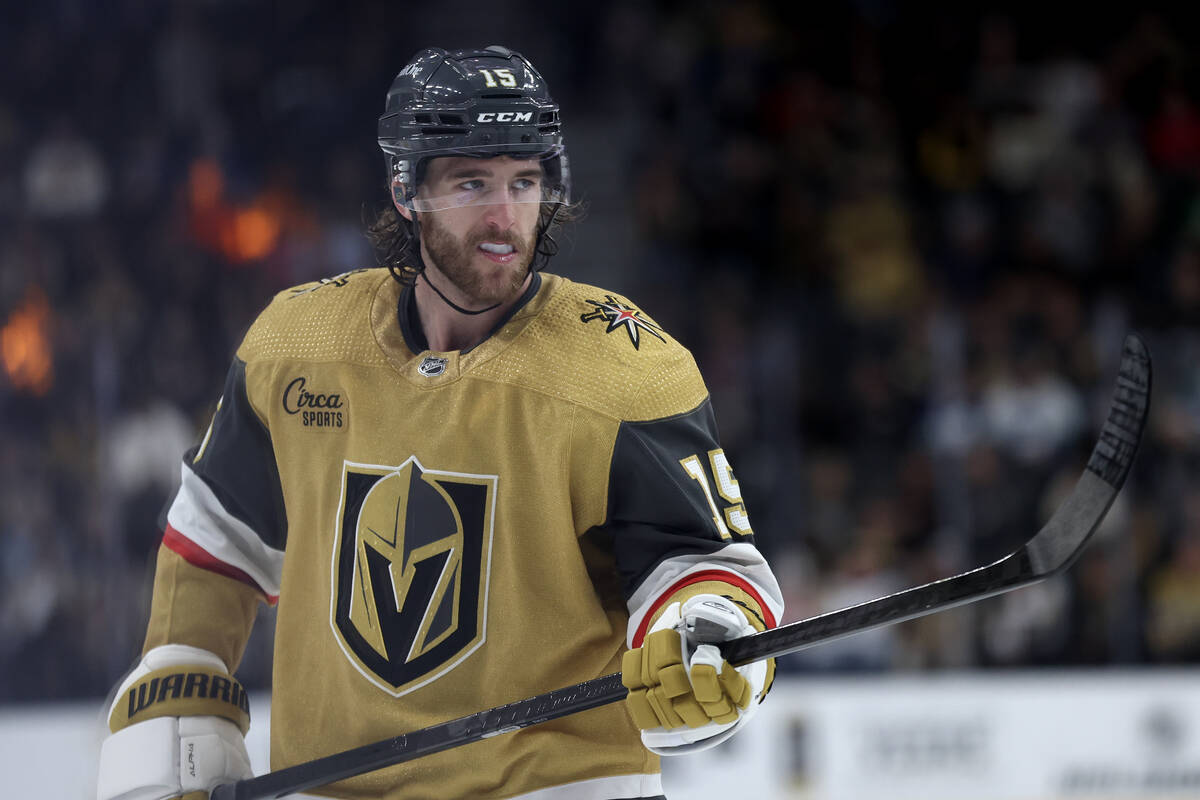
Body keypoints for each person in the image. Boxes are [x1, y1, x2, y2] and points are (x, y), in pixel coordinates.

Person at [96, 45, 783, 800]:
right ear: (405, 189)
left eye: (524, 182)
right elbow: (215, 540)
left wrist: (704, 635)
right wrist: (182, 691)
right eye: (471, 183)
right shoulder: (296, 345)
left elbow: (704, 566)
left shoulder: (624, 366)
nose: (504, 217)